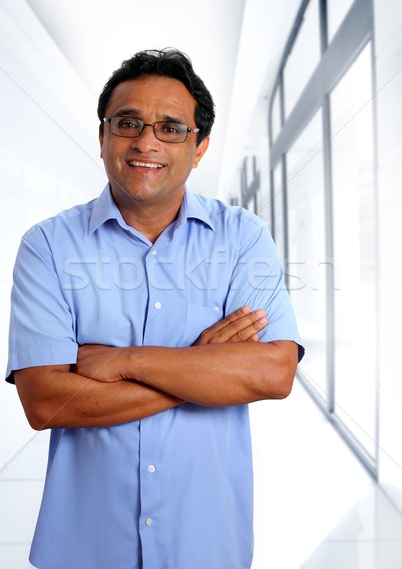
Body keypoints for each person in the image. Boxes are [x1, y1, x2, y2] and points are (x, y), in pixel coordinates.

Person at [6, 48, 304, 569]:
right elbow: (45, 403)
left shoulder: (242, 238)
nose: (146, 142)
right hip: (85, 546)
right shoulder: (48, 246)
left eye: (171, 128)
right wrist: (202, 369)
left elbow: (274, 373)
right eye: (128, 123)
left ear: (200, 147)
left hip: (206, 541)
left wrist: (122, 362)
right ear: (103, 138)